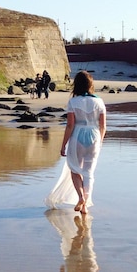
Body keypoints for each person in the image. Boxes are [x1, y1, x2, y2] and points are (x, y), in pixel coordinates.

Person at [44, 70, 106, 213]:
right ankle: (85, 203)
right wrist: (100, 141)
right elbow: (103, 126)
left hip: (77, 135)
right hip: (94, 136)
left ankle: (80, 198)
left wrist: (63, 144)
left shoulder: (73, 102)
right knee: (89, 173)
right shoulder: (99, 101)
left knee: (74, 169)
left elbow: (70, 125)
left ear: (76, 85)